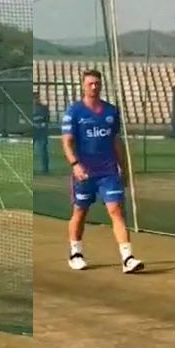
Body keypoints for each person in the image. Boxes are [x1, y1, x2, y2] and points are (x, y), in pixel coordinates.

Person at [61, 68, 143, 273]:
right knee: (80, 211)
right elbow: (67, 143)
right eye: (90, 83)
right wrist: (75, 165)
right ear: (83, 85)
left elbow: (116, 141)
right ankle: (76, 253)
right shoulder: (74, 112)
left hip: (108, 172)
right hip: (84, 173)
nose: (94, 87)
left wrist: (122, 168)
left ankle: (127, 258)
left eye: (97, 83)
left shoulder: (111, 111)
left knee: (116, 211)